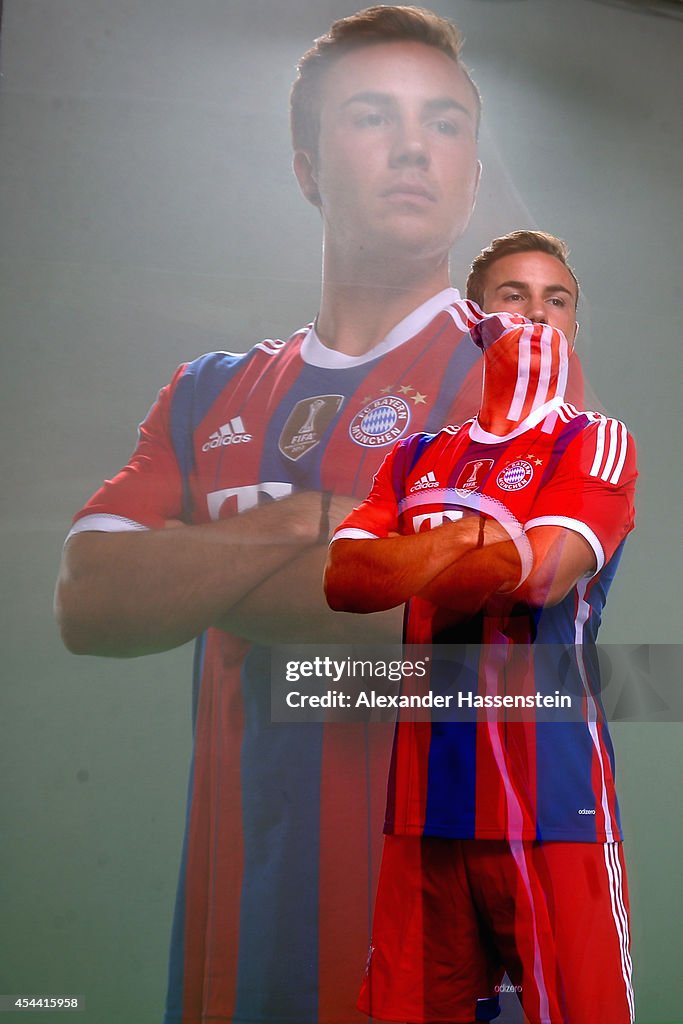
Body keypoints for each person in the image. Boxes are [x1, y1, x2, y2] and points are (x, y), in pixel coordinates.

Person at [53, 8, 502, 1024]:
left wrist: (193, 564)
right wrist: (304, 519)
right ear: (305, 166)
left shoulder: (509, 377)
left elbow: (433, 607)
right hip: (232, 937)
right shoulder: (208, 393)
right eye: (369, 117)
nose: (410, 148)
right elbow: (89, 600)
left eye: (443, 123)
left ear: (470, 175)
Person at [325, 232, 637, 1024]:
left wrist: (418, 546)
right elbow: (346, 583)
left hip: (552, 803)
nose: (535, 314)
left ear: (571, 326)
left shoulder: (591, 440)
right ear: (475, 317)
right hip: (425, 805)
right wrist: (473, 536)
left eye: (555, 300)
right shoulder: (411, 457)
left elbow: (539, 574)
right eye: (513, 296)